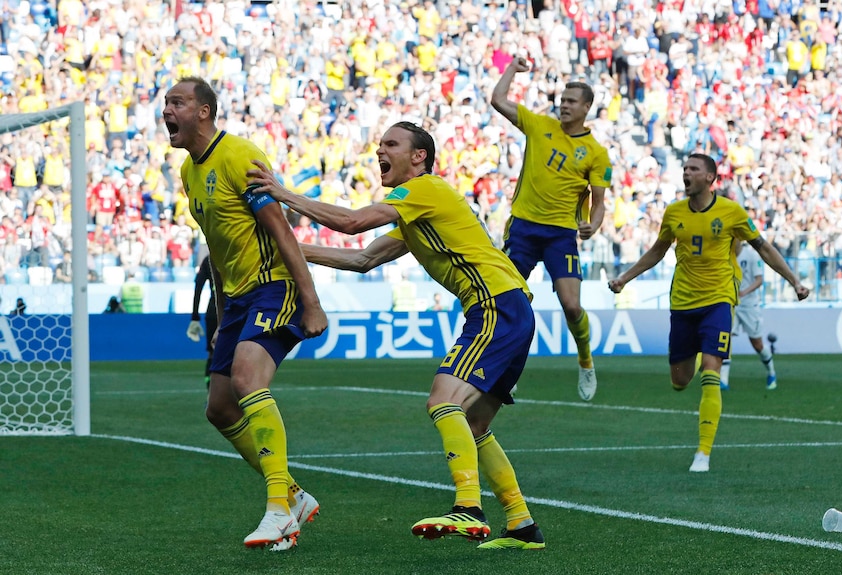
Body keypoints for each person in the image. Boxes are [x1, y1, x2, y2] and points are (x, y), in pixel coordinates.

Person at [247, 121, 545, 550]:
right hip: (508, 306)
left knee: (443, 399)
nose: (379, 150)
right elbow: (363, 259)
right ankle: (521, 525)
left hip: (496, 305)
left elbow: (352, 223)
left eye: (391, 144)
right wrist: (287, 251)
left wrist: (282, 193)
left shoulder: (423, 189)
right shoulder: (417, 213)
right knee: (475, 422)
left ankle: (469, 508)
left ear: (418, 156)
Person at [163, 76, 328, 551]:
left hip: (274, 286)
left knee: (248, 380)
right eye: (165, 103)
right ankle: (294, 495)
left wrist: (310, 300)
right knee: (219, 408)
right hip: (236, 300)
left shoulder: (240, 156)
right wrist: (219, 320)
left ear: (204, 112)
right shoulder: (190, 173)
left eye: (177, 102)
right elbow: (216, 249)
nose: (167, 110)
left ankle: (278, 507)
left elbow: (281, 230)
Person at [608, 154, 809, 473]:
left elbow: (764, 248)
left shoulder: (732, 212)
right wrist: (624, 277)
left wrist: (794, 280)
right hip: (683, 302)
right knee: (680, 380)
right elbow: (658, 251)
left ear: (710, 179)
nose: (686, 173)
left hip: (719, 299)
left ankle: (703, 452)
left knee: (712, 371)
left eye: (693, 169)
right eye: (684, 168)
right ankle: (699, 354)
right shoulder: (674, 212)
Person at [491, 56, 612, 403]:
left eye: (572, 101)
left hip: (560, 234)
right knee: (507, 299)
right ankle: (506, 369)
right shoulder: (538, 124)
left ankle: (585, 360)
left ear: (587, 107)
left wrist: (594, 224)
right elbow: (498, 101)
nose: (564, 105)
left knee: (572, 306)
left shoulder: (596, 154)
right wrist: (512, 69)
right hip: (524, 227)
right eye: (562, 100)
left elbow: (599, 201)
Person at [719, 241, 777, 391]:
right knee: (726, 338)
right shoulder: (726, 255)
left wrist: (744, 292)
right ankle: (723, 380)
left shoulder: (751, 255)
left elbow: (759, 280)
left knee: (757, 344)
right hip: (731, 304)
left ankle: (771, 373)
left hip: (749, 306)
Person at [187, 254, 217, 388]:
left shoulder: (208, 259)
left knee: (213, 352)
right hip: (234, 308)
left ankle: (211, 395)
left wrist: (195, 317)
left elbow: (198, 287)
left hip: (213, 311)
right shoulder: (234, 253)